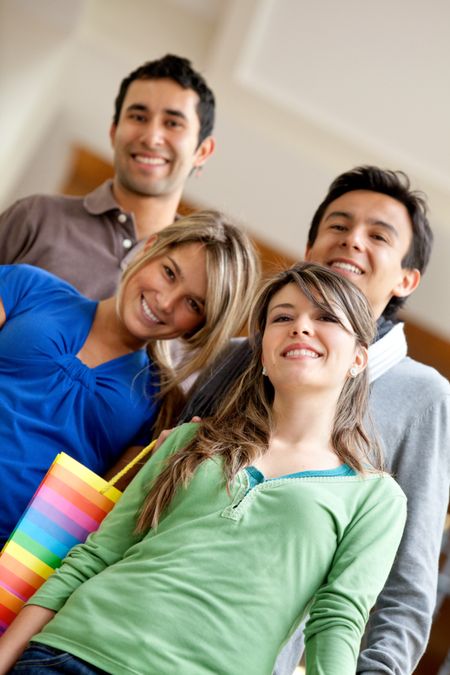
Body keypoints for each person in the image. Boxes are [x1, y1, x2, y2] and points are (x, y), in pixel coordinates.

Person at [0, 263, 406, 675]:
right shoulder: (189, 441)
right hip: (67, 654)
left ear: (359, 357)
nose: (300, 327)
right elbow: (94, 556)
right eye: (283, 317)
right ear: (263, 352)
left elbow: (336, 622)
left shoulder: (375, 498)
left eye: (325, 317)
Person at [179, 167, 450, 675]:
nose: (352, 242)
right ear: (310, 249)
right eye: (338, 226)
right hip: (126, 621)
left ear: (406, 279)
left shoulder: (424, 397)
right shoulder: (240, 354)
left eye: (378, 236)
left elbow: (406, 586)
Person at [0, 210, 260, 546]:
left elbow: (96, 521)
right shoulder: (27, 287)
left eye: (193, 304)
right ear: (149, 248)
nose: (166, 302)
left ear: (201, 324)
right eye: (169, 273)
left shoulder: (159, 403)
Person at [0, 54, 216, 300]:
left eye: (173, 123)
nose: (151, 137)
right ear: (113, 132)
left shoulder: (201, 279)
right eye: (138, 117)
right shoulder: (36, 217)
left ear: (202, 151)